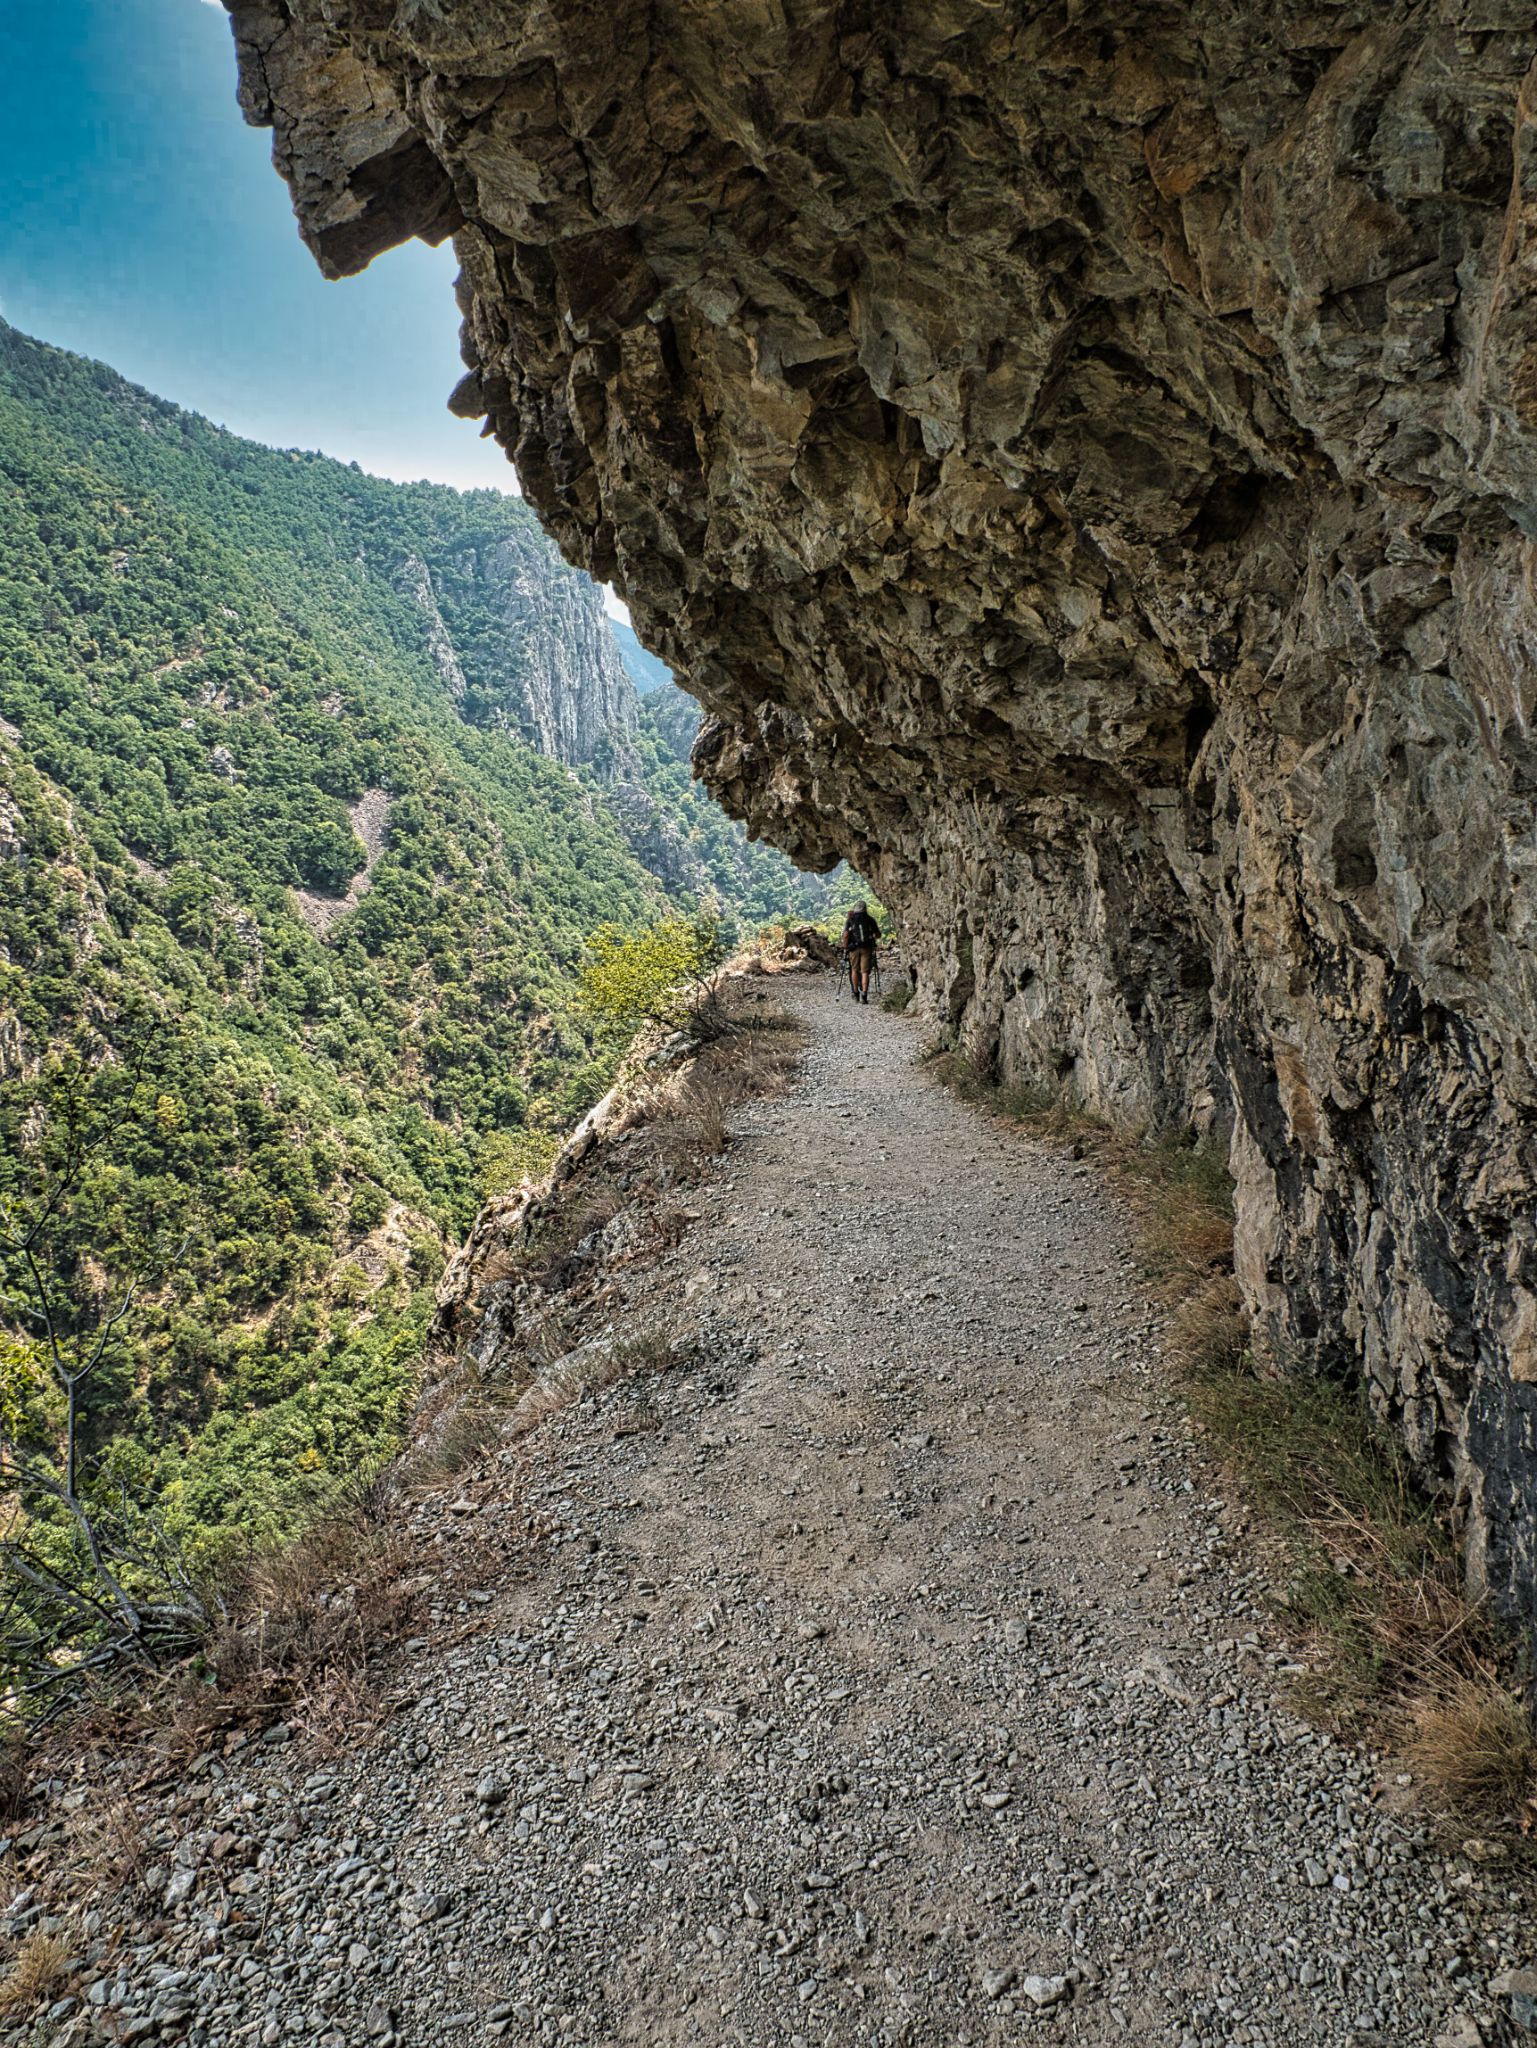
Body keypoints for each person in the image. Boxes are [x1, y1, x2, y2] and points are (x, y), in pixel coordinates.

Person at [841, 900, 880, 1004]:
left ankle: (855, 992)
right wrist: (871, 936)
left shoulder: (850, 919)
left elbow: (845, 935)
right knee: (865, 972)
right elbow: (878, 935)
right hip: (866, 948)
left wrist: (845, 946)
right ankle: (864, 995)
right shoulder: (870, 920)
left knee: (854, 970)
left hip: (853, 948)